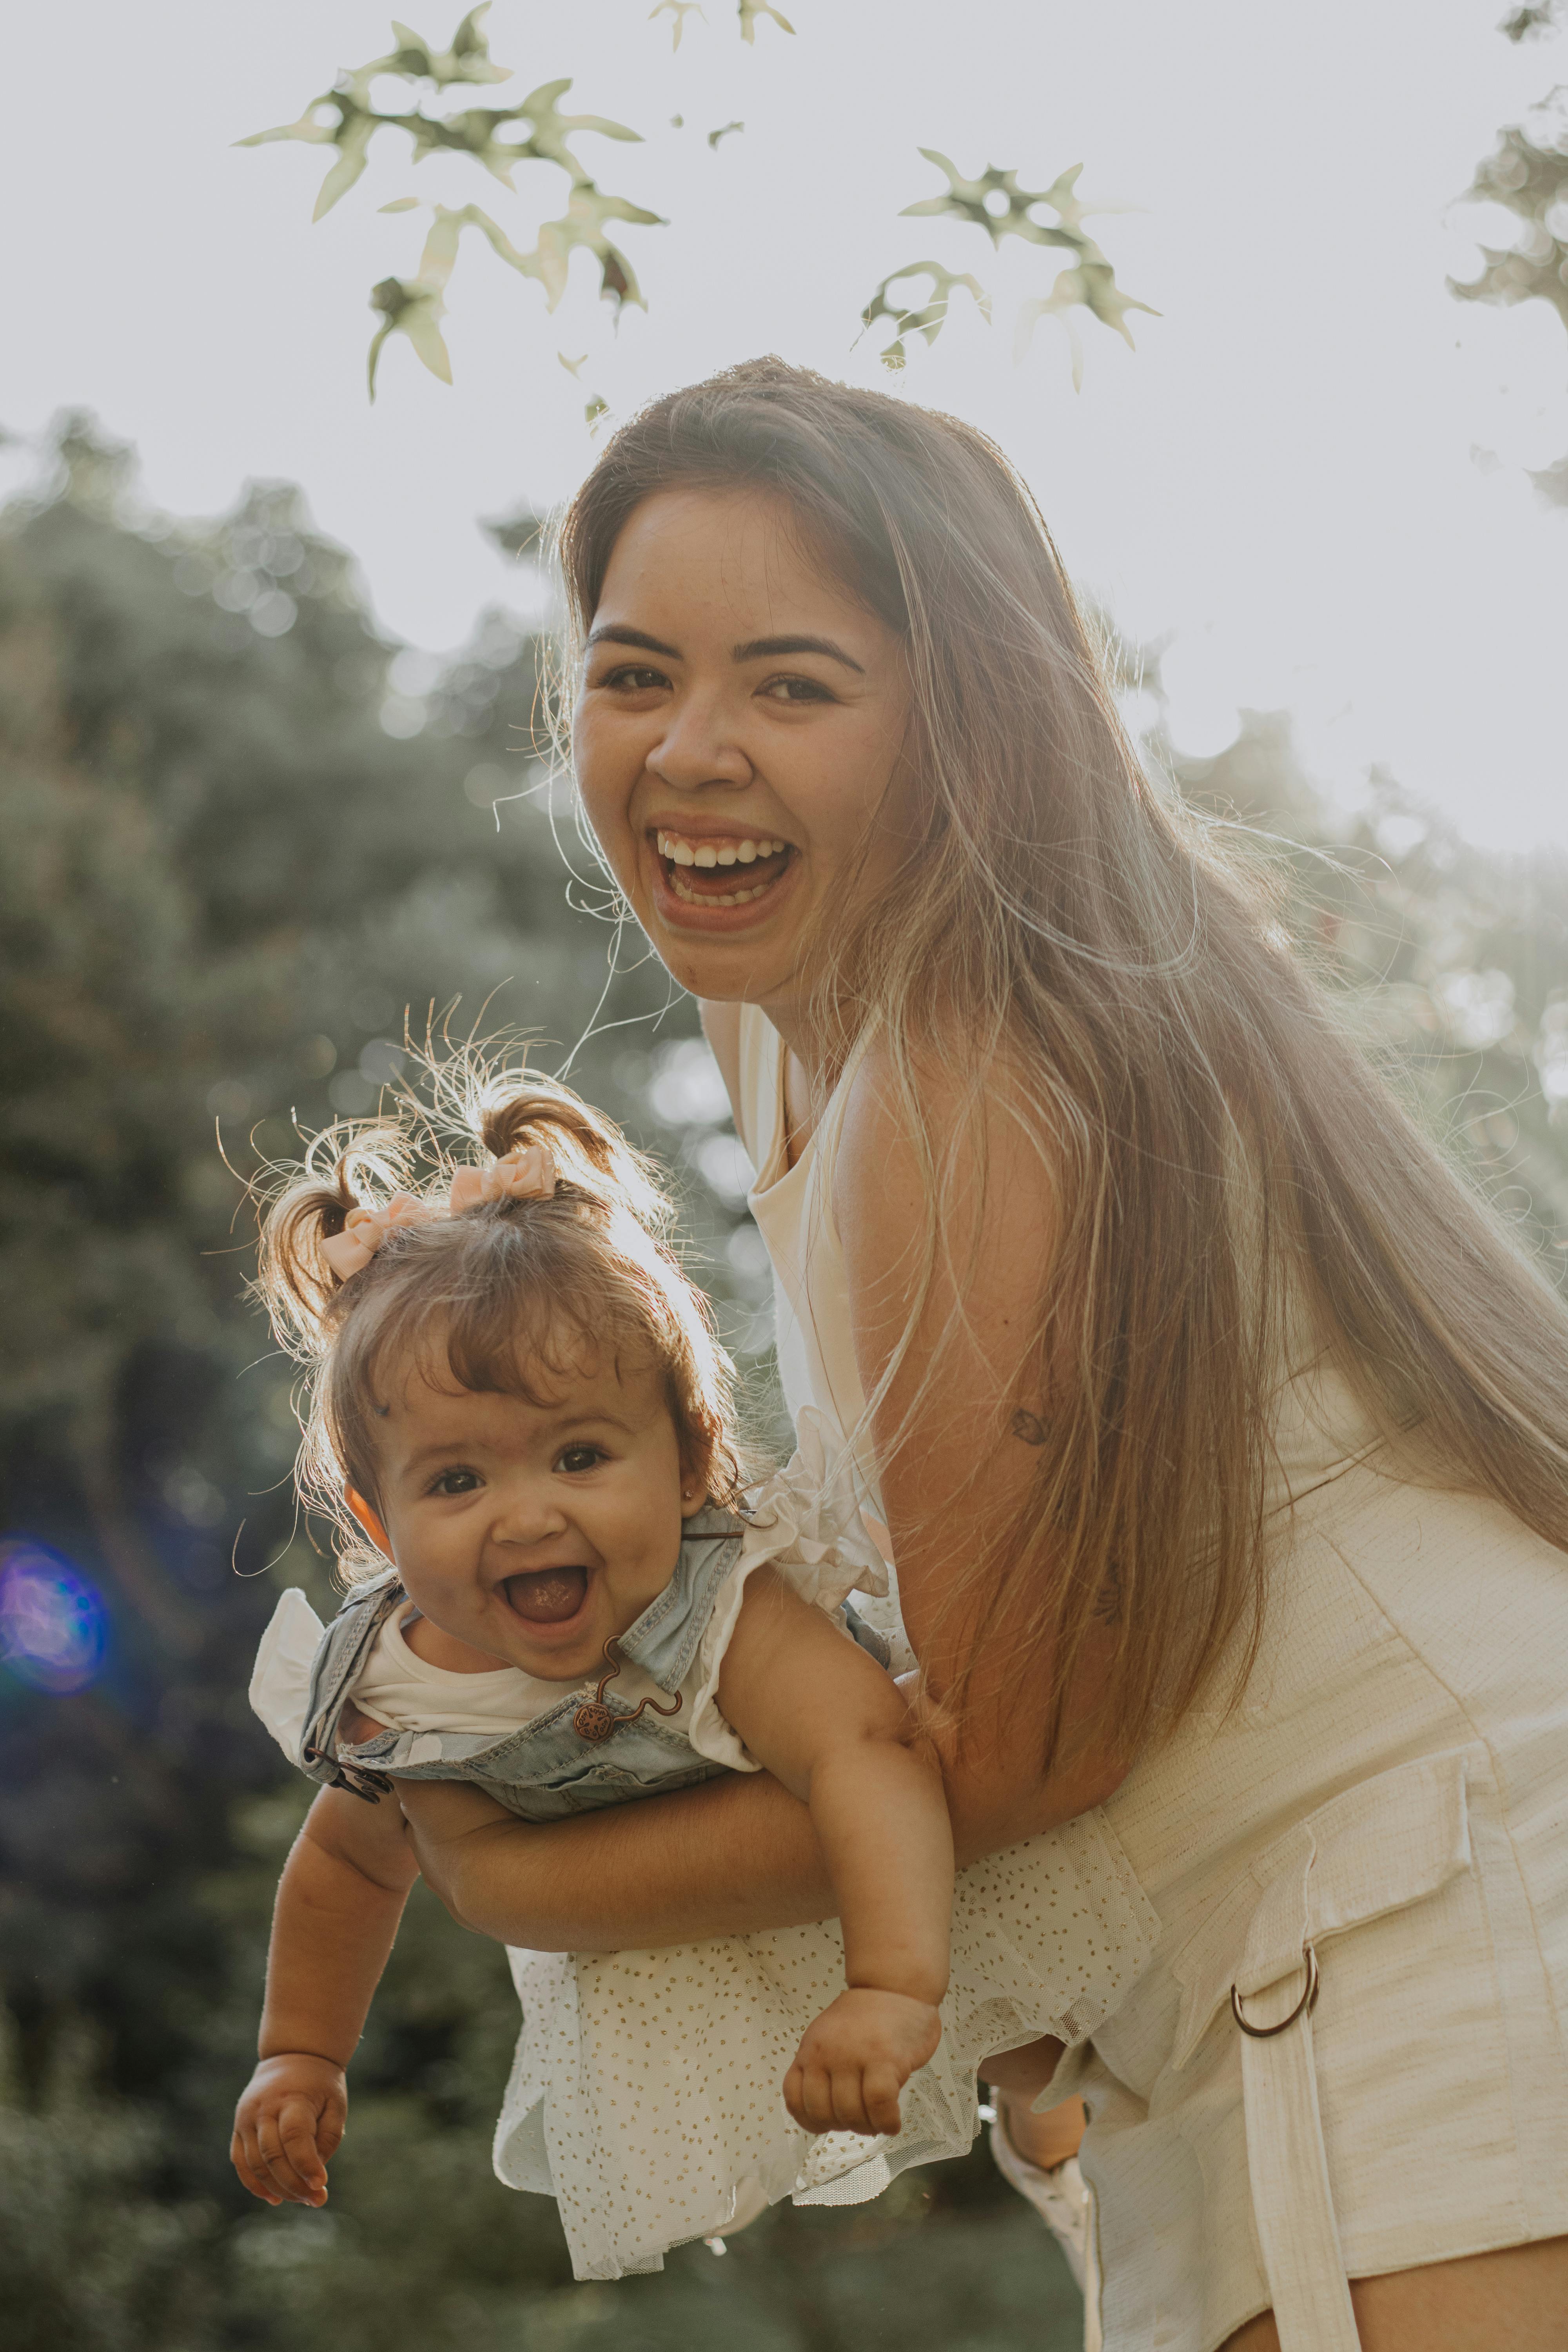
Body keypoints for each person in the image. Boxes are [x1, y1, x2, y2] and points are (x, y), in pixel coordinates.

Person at [390, 359, 1568, 2351]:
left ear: (966, 723)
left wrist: (518, 1873)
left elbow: (1026, 1747)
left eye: (793, 684)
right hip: (1284, 1974)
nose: (689, 750)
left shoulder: (966, 1048)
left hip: (1432, 1920)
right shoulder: (821, 1025)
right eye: (632, 674)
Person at [230, 1064, 1105, 2283]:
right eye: (456, 1483)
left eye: (580, 1454)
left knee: (1021, 2006)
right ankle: (1057, 2141)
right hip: (695, 1932)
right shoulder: (400, 1690)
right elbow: (344, 1864)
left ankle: (1068, 2137)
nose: (527, 1515)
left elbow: (874, 1752)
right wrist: (301, 2056)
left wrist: (895, 1987)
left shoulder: (721, 1607)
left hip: (892, 1862)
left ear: (690, 1463)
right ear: (379, 1528)